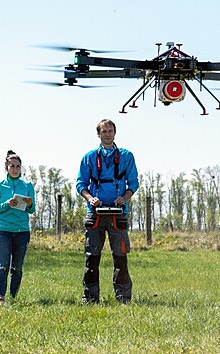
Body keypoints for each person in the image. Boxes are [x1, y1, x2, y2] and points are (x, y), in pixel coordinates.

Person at [76, 118, 139, 304]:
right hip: (95, 214)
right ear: (98, 134)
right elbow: (81, 184)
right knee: (92, 257)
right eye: (104, 131)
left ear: (115, 133)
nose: (107, 134)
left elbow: (134, 183)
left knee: (120, 257)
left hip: (118, 213)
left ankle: (123, 298)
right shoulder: (88, 157)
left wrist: (124, 198)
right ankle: (90, 298)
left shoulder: (127, 156)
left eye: (110, 130)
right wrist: (90, 199)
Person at [0, 150, 36, 305]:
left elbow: (32, 210)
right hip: (3, 230)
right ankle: (0, 297)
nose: (15, 169)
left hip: (22, 231)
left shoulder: (27, 186)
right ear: (6, 167)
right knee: (3, 266)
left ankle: (13, 297)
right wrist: (7, 204)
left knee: (17, 267)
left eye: (18, 166)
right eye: (12, 166)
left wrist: (29, 204)